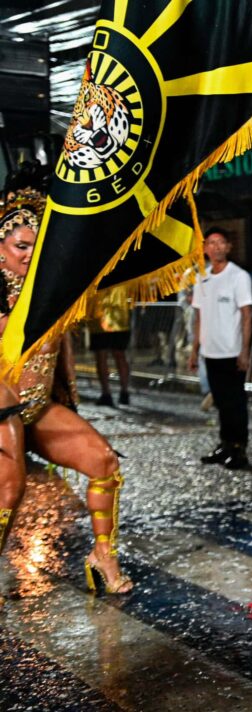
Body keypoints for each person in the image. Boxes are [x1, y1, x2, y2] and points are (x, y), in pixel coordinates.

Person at [0, 177, 131, 594]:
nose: (29, 255)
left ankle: (102, 558)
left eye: (35, 247)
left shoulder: (52, 292)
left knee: (104, 463)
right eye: (21, 246)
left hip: (36, 410)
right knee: (9, 489)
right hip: (2, 413)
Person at [188, 228, 252, 470]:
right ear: (204, 248)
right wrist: (195, 350)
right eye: (211, 243)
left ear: (228, 247)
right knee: (221, 403)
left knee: (235, 402)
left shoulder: (239, 276)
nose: (215, 247)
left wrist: (244, 350)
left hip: (231, 352)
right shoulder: (201, 277)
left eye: (220, 243)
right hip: (210, 352)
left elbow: (247, 314)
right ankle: (225, 444)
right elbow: (198, 316)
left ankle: (239, 449)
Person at [88, 290, 132, 406]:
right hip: (120, 319)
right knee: (120, 355)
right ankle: (124, 392)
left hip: (100, 320)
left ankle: (106, 393)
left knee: (102, 357)